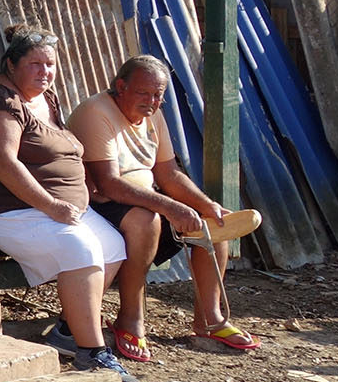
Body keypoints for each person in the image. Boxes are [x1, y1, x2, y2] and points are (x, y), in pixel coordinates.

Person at [0, 27, 140, 382]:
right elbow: (3, 162)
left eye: (50, 64)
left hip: (51, 207)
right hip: (1, 208)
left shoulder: (45, 97)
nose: (45, 72)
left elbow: (58, 148)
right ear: (10, 64)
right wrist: (53, 205)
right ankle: (93, 353)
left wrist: (83, 187)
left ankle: (70, 331)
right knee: (80, 247)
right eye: (35, 64)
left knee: (113, 246)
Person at [68, 55, 261, 360]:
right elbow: (109, 184)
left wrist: (205, 204)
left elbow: (168, 173)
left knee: (212, 221)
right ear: (121, 86)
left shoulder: (153, 115)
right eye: (144, 93)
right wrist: (171, 207)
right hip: (100, 204)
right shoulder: (96, 111)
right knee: (147, 220)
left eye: (158, 95)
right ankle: (130, 317)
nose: (152, 101)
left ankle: (210, 318)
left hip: (144, 198)